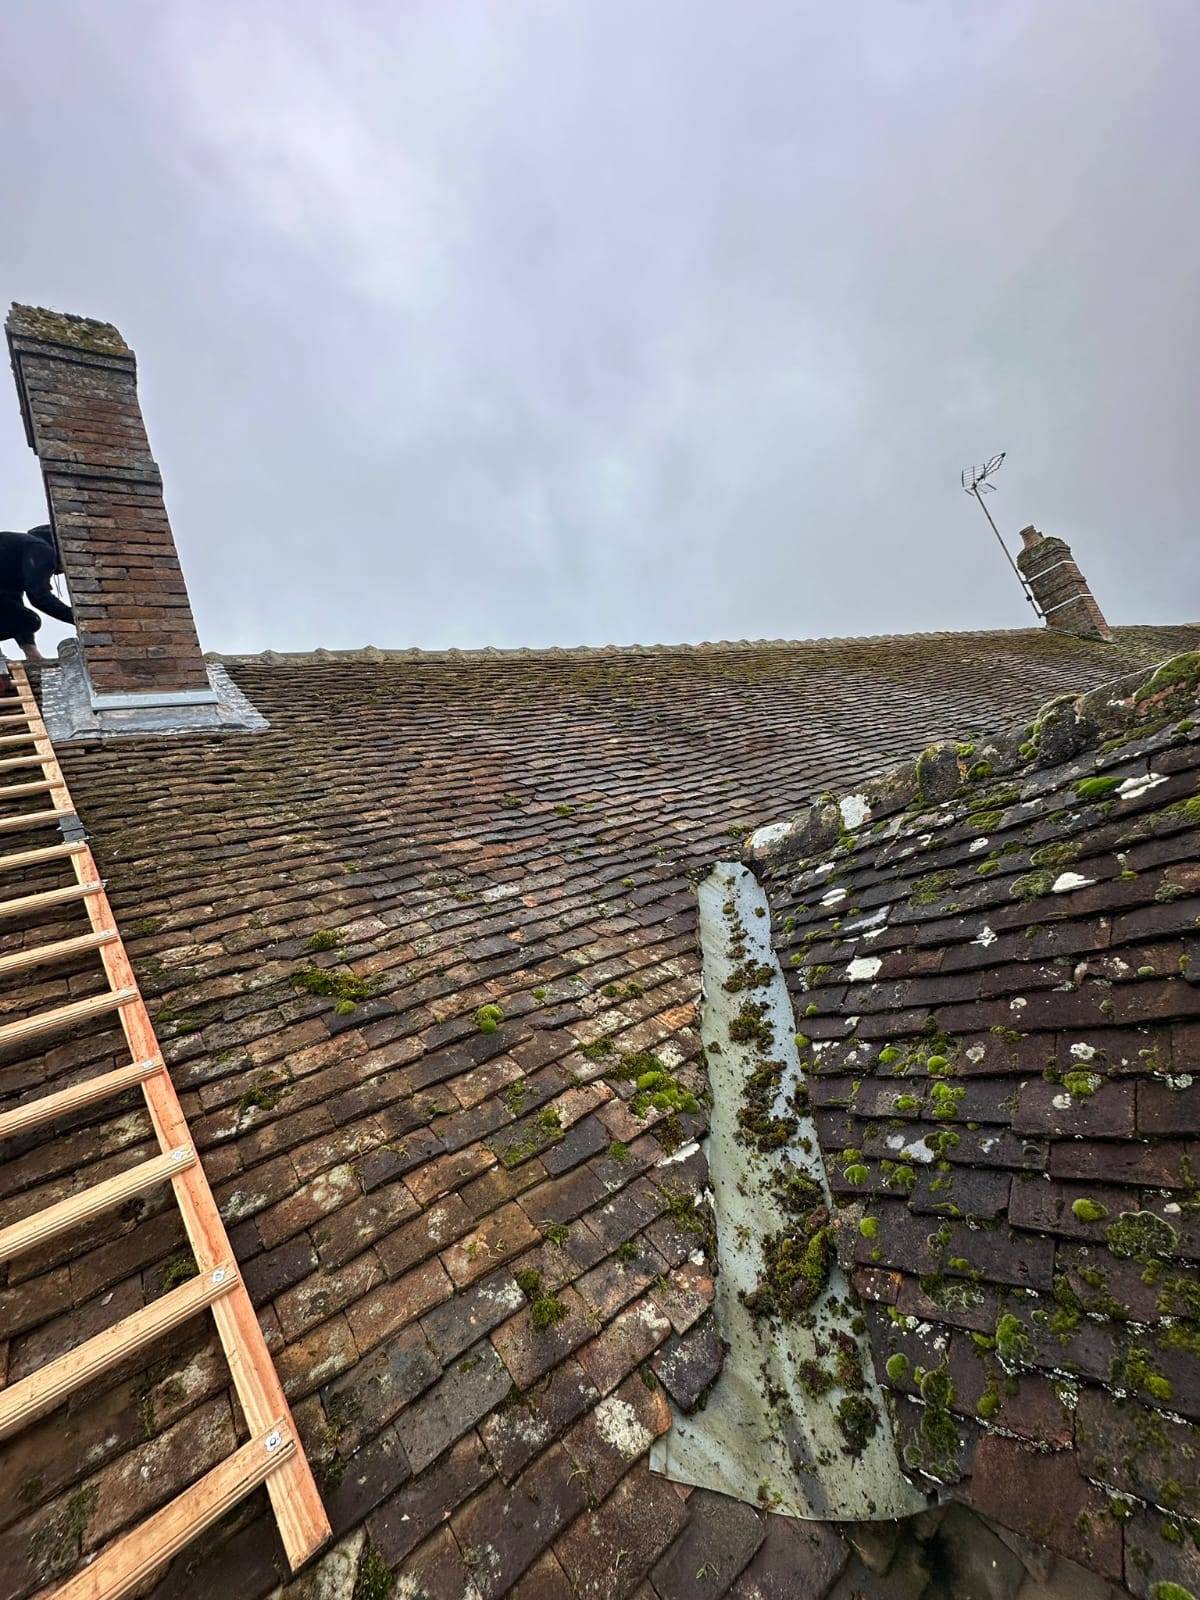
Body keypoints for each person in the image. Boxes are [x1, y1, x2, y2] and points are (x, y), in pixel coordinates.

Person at [0, 524, 74, 696]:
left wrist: (32, 654)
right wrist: (79, 619)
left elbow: (11, 605)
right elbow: (39, 597)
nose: (59, 573)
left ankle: (24, 657)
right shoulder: (42, 550)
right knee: (30, 620)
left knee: (23, 617)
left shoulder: (16, 551)